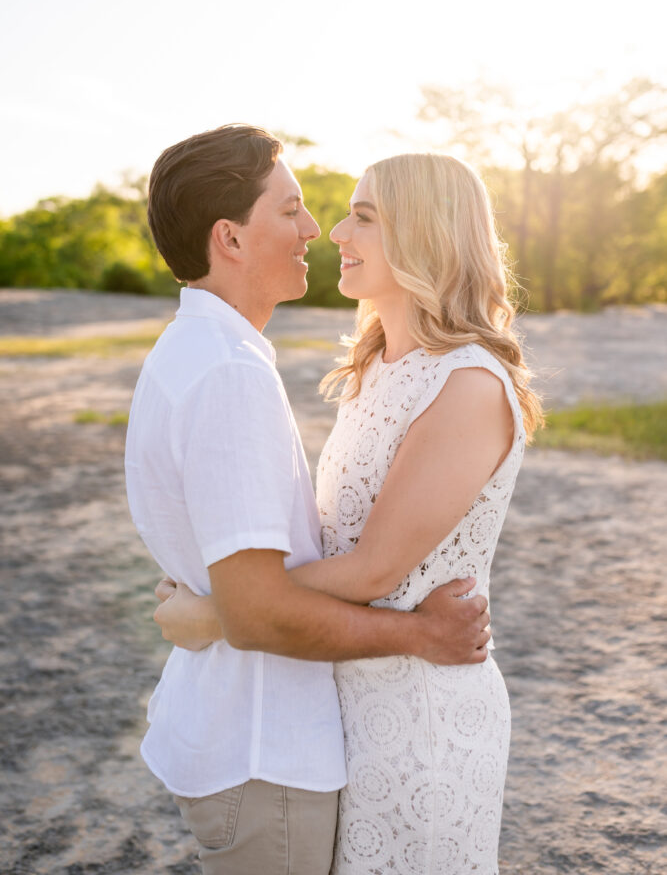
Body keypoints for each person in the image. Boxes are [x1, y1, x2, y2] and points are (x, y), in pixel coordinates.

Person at [155, 150, 543, 873]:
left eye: (362, 218)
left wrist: (214, 614)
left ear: (424, 235)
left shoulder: (466, 384)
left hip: (420, 713)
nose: (333, 231)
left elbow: (372, 568)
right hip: (342, 702)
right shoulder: (372, 367)